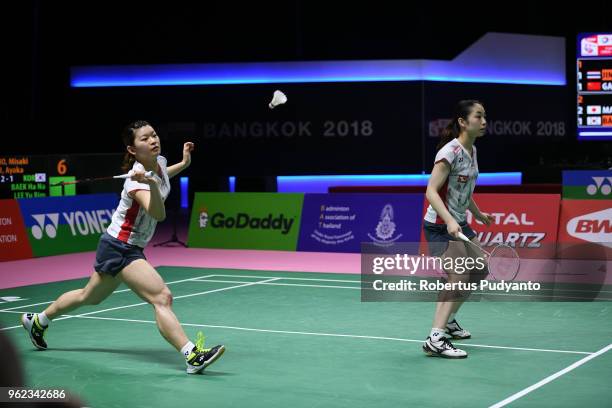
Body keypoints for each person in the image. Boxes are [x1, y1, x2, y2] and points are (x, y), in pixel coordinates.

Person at [21, 120, 225, 374]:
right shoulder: (135, 182)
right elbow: (158, 213)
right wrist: (149, 183)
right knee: (161, 297)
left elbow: (163, 174)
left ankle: (38, 321)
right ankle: (191, 355)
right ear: (132, 149)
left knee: (89, 297)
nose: (153, 140)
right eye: (144, 138)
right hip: (120, 247)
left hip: (124, 245)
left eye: (154, 135)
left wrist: (183, 164)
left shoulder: (158, 162)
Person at [421, 100, 494, 359]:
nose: (484, 121)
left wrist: (477, 213)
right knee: (459, 275)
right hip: (440, 225)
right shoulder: (449, 152)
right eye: (478, 116)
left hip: (459, 222)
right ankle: (435, 339)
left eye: (485, 116)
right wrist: (449, 220)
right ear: (463, 122)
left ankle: (449, 320)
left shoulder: (471, 151)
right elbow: (431, 191)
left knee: (480, 269)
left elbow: (463, 191)